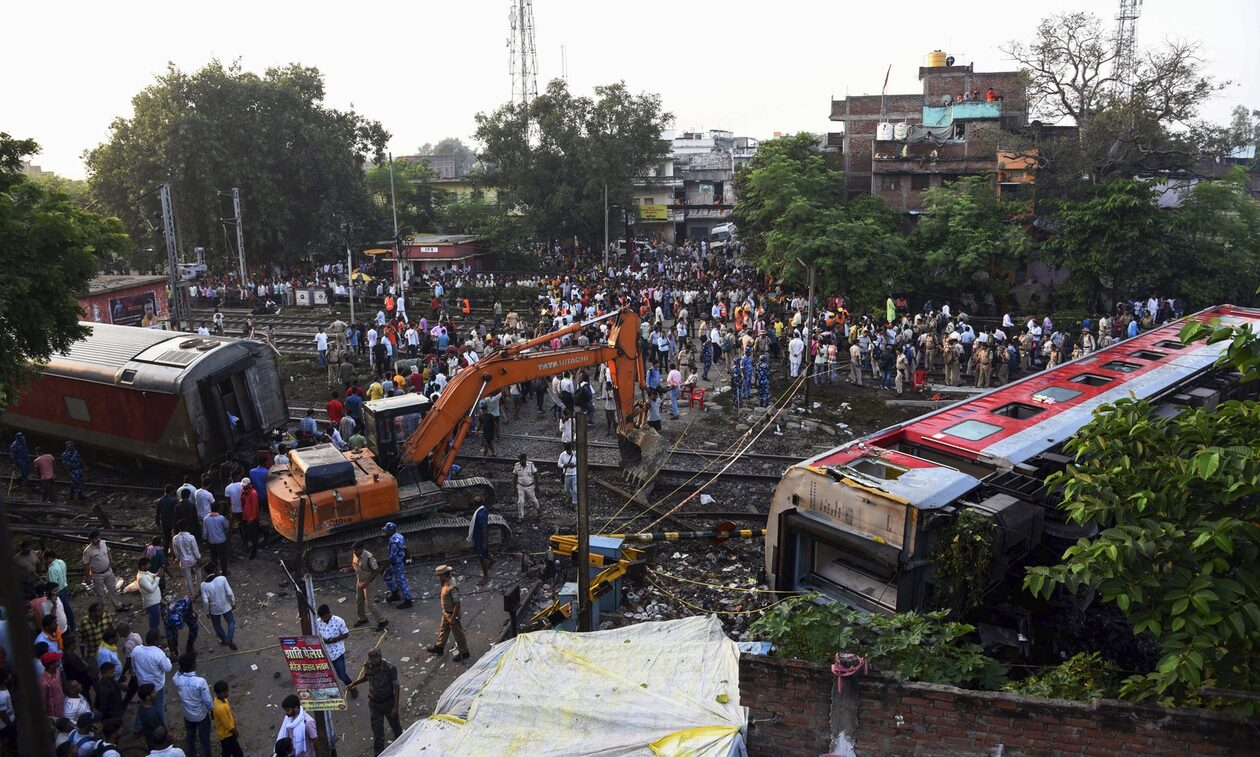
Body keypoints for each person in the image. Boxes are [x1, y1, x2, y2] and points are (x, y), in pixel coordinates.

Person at [346, 649, 402, 755]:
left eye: (375, 658)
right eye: (371, 658)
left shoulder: (389, 668)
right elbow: (367, 677)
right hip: (374, 704)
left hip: (388, 702)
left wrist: (395, 707)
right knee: (378, 733)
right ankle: (379, 753)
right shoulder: (367, 665)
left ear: (380, 657)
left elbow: (396, 686)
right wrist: (354, 683)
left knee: (396, 727)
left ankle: (402, 746)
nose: (373, 661)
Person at [425, 565, 469, 660]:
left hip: (452, 613)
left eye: (440, 576)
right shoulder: (446, 582)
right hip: (446, 612)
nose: (438, 578)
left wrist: (453, 618)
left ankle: (464, 652)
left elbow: (457, 604)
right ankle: (439, 647)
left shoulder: (452, 588)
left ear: (444, 575)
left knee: (458, 634)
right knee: (443, 630)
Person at [341, 541, 388, 630]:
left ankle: (382, 621)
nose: (355, 552)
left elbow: (376, 571)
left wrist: (366, 583)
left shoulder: (369, 557)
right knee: (359, 600)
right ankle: (362, 618)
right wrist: (347, 569)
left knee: (370, 604)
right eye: (354, 550)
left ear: (362, 549)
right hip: (360, 581)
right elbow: (355, 566)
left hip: (368, 582)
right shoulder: (355, 554)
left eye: (357, 550)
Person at [173, 652, 213, 757]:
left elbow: (175, 675)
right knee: (204, 739)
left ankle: (191, 754)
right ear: (193, 665)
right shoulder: (200, 682)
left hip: (188, 715)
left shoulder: (178, 680)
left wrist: (181, 667)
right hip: (201, 715)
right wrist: (211, 710)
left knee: (190, 737)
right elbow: (207, 701)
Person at [131, 630, 172, 732]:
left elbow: (134, 666)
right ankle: (161, 727)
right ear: (156, 640)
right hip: (156, 686)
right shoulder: (158, 653)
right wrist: (167, 657)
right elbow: (168, 668)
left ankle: (138, 727)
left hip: (142, 684)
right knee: (159, 706)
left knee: (143, 705)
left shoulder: (136, 650)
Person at [315, 604, 357, 698]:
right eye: (322, 618)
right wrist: (323, 640)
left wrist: (334, 639)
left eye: (325, 617)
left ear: (329, 613)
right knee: (326, 676)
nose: (323, 619)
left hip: (337, 653)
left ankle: (352, 687)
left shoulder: (339, 621)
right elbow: (316, 635)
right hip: (324, 654)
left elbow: (345, 634)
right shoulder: (318, 622)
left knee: (341, 674)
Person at [82, 531, 129, 612]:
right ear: (91, 540)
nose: (98, 540)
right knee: (100, 594)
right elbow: (86, 564)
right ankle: (102, 611)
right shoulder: (87, 551)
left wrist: (111, 561)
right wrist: (88, 577)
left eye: (98, 537)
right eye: (95, 538)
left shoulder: (104, 543)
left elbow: (108, 551)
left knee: (113, 589)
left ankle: (118, 606)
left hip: (108, 571)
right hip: (97, 575)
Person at [200, 565, 237, 650]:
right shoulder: (222, 579)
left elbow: (205, 601)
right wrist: (232, 602)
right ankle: (229, 638)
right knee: (231, 622)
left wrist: (207, 612)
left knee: (217, 624)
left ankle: (224, 639)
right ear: (215, 569)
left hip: (214, 608)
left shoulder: (203, 585)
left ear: (205, 572)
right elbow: (229, 593)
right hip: (225, 605)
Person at [381, 522, 414, 609]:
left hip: (396, 563)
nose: (385, 532)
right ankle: (395, 593)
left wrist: (383, 567)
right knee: (386, 576)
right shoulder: (399, 536)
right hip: (396, 562)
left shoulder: (394, 541)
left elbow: (392, 558)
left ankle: (408, 600)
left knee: (400, 581)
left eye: (387, 530)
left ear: (391, 530)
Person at [212, 680, 243, 757]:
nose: (227, 694)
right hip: (227, 735)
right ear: (218, 693)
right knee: (238, 753)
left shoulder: (221, 700)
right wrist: (235, 732)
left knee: (227, 752)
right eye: (225, 692)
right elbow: (227, 725)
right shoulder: (220, 708)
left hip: (226, 734)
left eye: (227, 691)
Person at [171, 525, 202, 600]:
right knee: (198, 572)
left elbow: (176, 551)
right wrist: (198, 557)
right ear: (186, 527)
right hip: (193, 558)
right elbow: (195, 549)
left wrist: (179, 558)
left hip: (184, 560)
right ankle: (200, 589)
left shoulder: (175, 538)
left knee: (188, 579)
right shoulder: (191, 537)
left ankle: (193, 595)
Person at [202, 504, 231, 575]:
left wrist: (205, 540)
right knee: (223, 557)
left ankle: (215, 572)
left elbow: (205, 533)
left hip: (211, 541)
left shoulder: (206, 519)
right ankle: (224, 572)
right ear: (219, 509)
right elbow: (226, 526)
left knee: (213, 558)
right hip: (221, 541)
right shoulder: (221, 518)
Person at [469, 503, 494, 584]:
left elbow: (484, 529)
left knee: (481, 557)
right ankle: (492, 559)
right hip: (482, 538)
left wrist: (484, 541)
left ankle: (486, 577)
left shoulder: (479, 515)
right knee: (485, 552)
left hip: (480, 538)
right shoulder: (484, 510)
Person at [138, 556, 164, 632]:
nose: (150, 566)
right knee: (154, 620)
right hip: (152, 603)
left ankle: (155, 634)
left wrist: (157, 573)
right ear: (142, 566)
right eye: (148, 564)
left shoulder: (146, 572)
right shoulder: (141, 578)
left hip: (155, 601)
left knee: (155, 619)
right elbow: (151, 589)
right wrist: (158, 577)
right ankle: (154, 635)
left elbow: (153, 575)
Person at [512, 453, 539, 519]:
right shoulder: (517, 465)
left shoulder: (531, 465)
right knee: (520, 502)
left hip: (530, 486)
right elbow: (515, 476)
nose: (521, 461)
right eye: (520, 460)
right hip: (520, 486)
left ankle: (539, 511)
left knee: (534, 500)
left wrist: (537, 486)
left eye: (522, 460)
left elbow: (536, 474)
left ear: (525, 459)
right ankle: (521, 517)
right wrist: (514, 487)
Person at [239, 479, 261, 560]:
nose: (244, 487)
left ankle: (254, 552)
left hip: (252, 518)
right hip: (245, 516)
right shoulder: (244, 491)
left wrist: (252, 518)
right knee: (248, 532)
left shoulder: (253, 493)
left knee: (254, 535)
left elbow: (255, 507)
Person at [41, 650, 66, 718]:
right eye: (57, 660)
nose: (59, 660)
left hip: (63, 706)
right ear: (51, 665)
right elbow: (42, 701)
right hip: (54, 714)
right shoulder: (44, 682)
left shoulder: (57, 672)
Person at [557, 442, 578, 506]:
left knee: (575, 490)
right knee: (567, 489)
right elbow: (559, 465)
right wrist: (567, 465)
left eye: (571, 450)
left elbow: (579, 461)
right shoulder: (562, 455)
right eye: (568, 450)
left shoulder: (575, 454)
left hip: (574, 474)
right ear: (566, 450)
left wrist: (575, 465)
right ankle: (570, 496)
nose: (570, 451)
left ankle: (574, 503)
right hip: (567, 474)